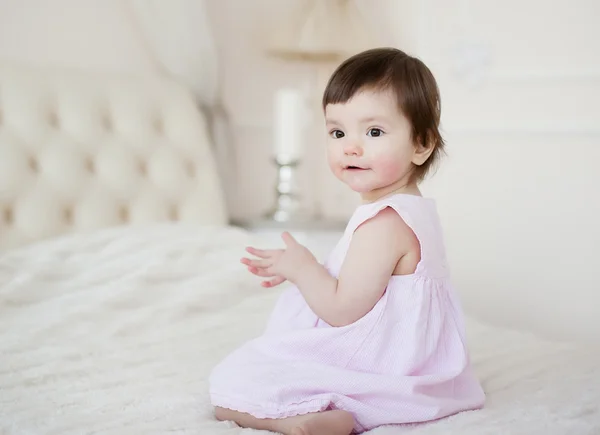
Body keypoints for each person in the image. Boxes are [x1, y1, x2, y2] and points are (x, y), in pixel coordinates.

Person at [208, 47, 485, 435]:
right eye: (338, 132)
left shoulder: (384, 223)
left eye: (373, 132)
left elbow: (342, 310)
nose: (350, 146)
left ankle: (299, 421)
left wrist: (303, 268)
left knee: (234, 380)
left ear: (421, 145)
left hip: (381, 368)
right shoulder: (415, 210)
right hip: (415, 364)